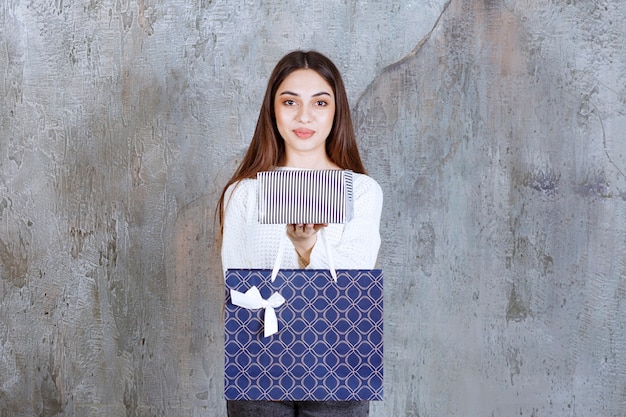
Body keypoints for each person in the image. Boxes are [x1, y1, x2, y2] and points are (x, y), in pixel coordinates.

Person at [217, 50, 383, 417]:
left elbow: (355, 279)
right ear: (272, 110)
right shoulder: (244, 193)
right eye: (289, 101)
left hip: (340, 360)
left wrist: (307, 248)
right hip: (258, 360)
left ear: (335, 110)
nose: (304, 116)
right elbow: (238, 288)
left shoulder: (362, 191)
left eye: (320, 102)